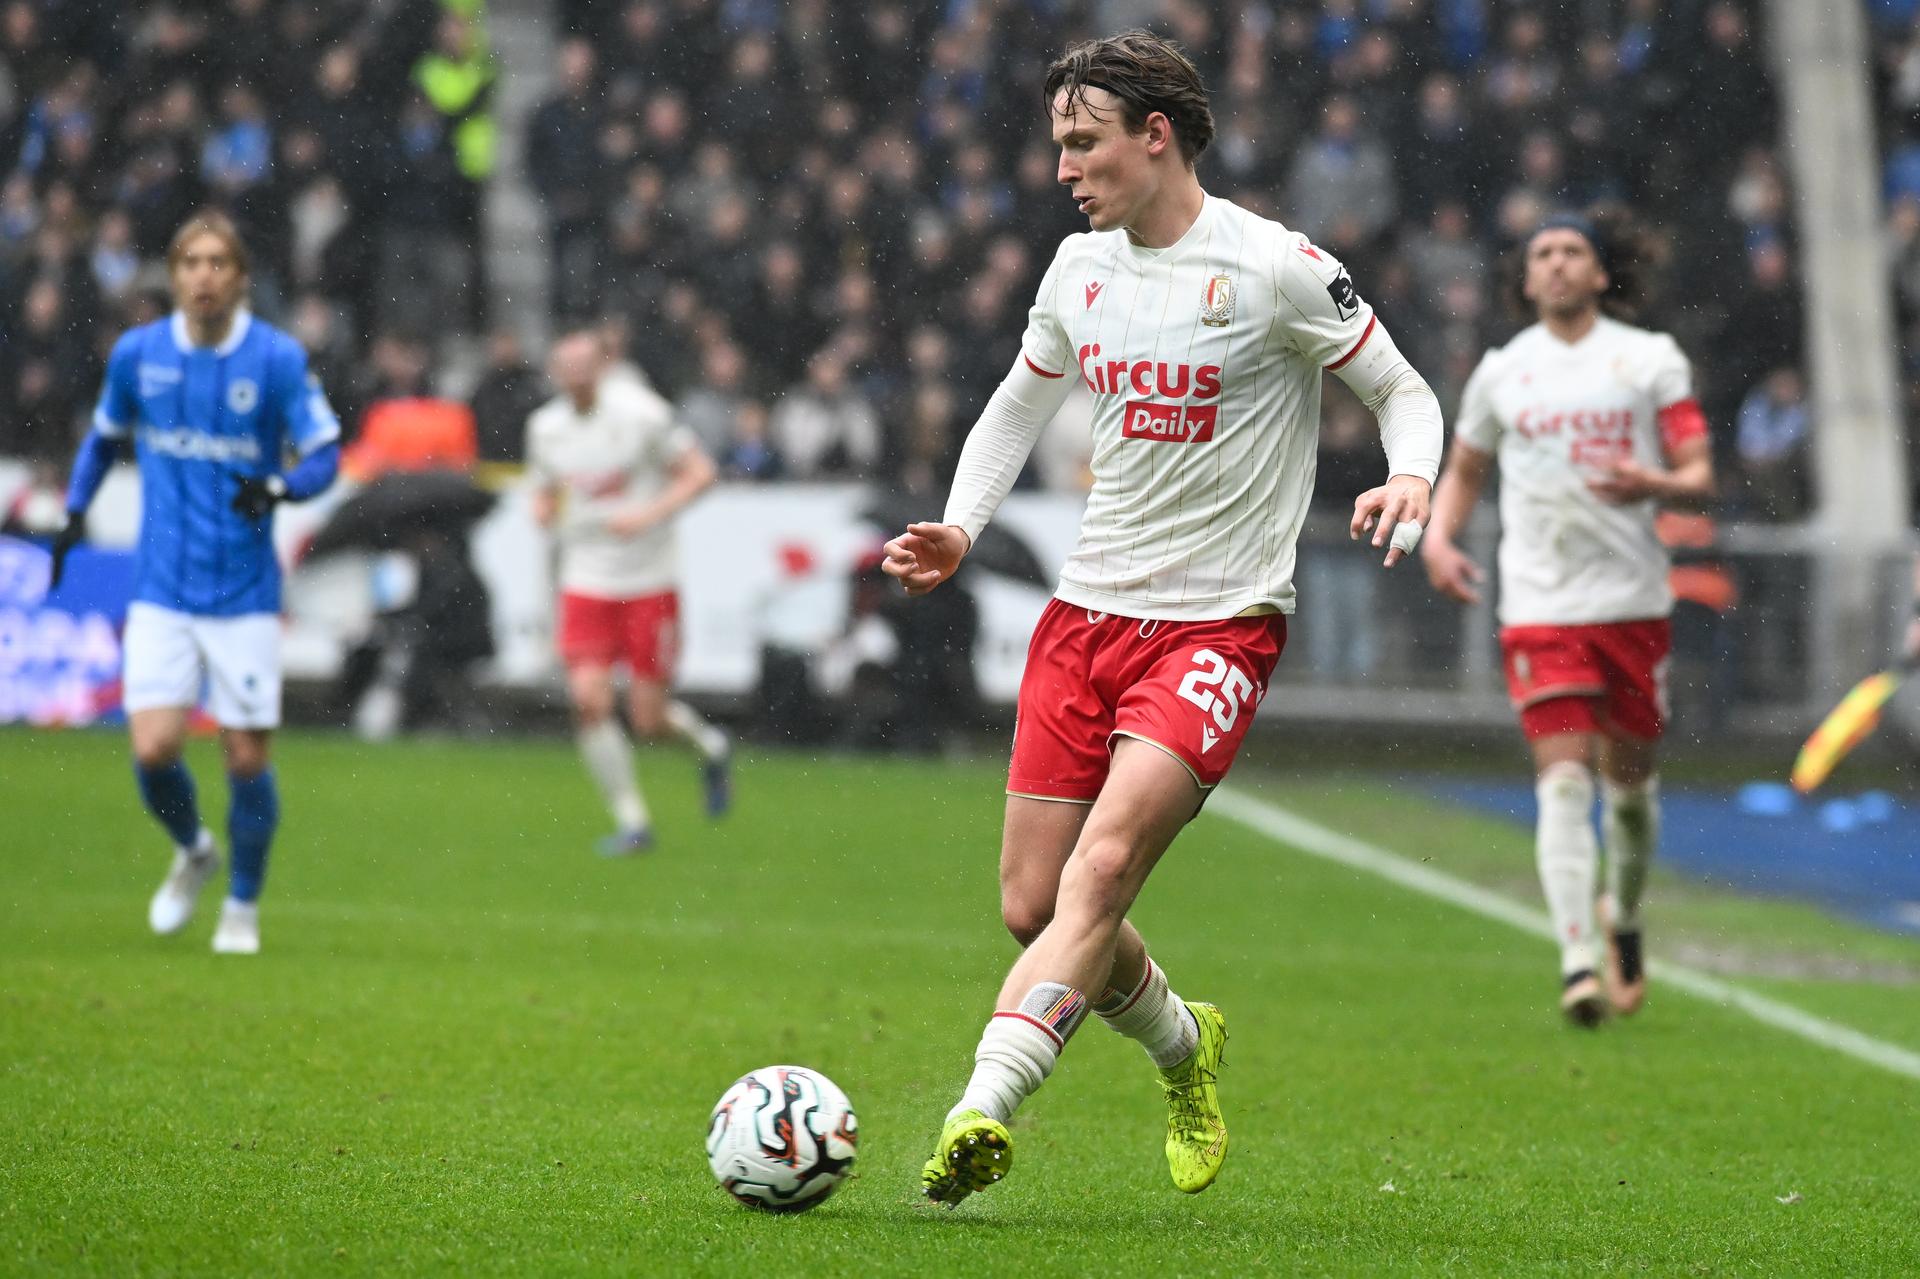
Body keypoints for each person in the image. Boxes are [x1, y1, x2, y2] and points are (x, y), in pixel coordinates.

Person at [881, 32, 1444, 1207]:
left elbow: (1401, 387)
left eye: (1082, 144)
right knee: (1032, 907)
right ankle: (1187, 1046)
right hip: (1086, 616)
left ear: (1158, 135)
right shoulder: (1077, 270)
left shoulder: (1277, 266)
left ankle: (980, 1107)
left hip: (1217, 629)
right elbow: (1013, 408)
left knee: (1102, 870)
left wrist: (1412, 476)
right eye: (1055, 146)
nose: (1063, 169)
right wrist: (960, 527)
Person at [1420, 210, 1715, 1028]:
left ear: (1598, 272)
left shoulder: (1648, 358)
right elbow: (1466, 468)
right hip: (1541, 605)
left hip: (1631, 602)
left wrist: (1651, 481)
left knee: (1629, 795)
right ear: (1525, 279)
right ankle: (1577, 960)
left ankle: (1623, 917)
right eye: (1542, 254)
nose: (1554, 265)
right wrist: (1439, 537)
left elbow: (1698, 474)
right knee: (1561, 782)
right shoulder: (1502, 372)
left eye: (1571, 252)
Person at [48, 210, 342, 955]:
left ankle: (241, 906)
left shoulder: (275, 359)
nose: (204, 275)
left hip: (244, 590)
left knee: (245, 756)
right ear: (174, 274)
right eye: (190, 262)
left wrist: (280, 489)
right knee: (153, 748)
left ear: (241, 277)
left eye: (218, 262)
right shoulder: (138, 354)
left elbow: (325, 455)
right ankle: (194, 849)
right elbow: (104, 440)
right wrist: (74, 512)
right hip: (162, 588)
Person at [525, 330, 733, 855]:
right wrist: (543, 509)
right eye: (565, 367)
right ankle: (633, 822)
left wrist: (648, 515)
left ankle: (710, 746)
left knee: (647, 719)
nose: (575, 376)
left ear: (604, 365)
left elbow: (701, 474)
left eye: (584, 365)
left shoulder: (643, 414)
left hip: (648, 580)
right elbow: (546, 490)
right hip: (585, 578)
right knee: (588, 701)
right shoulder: (545, 428)